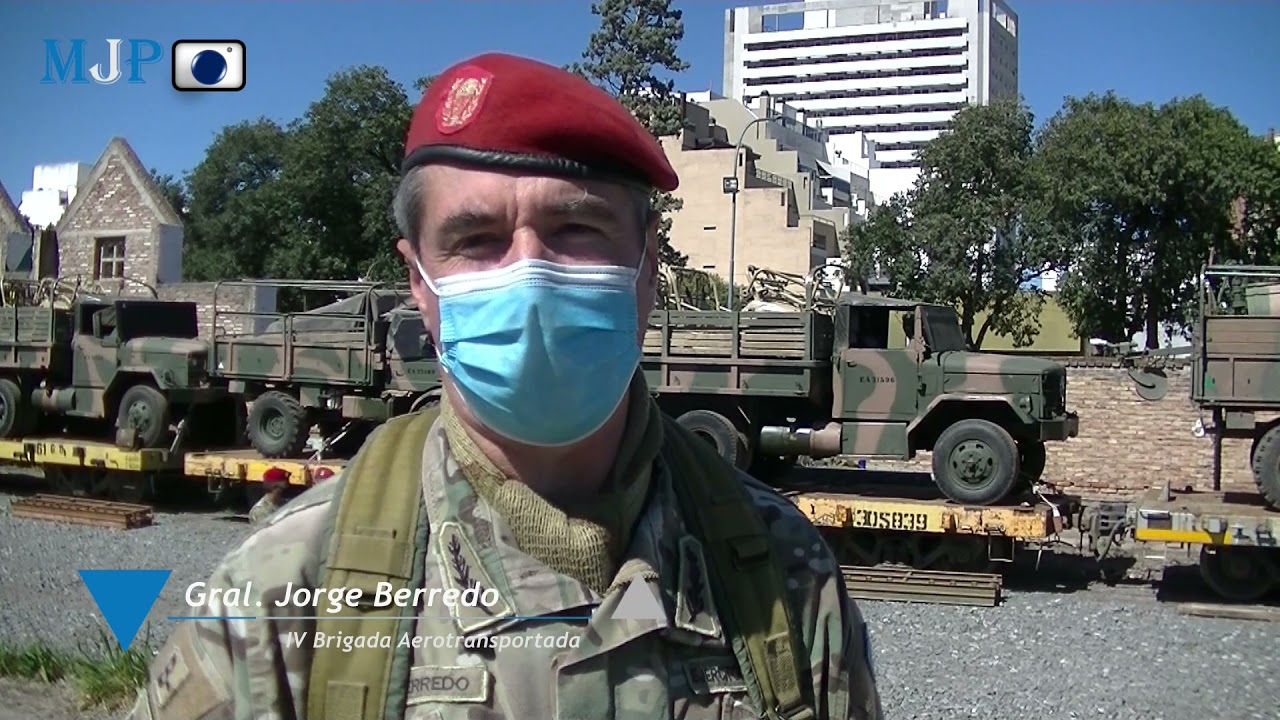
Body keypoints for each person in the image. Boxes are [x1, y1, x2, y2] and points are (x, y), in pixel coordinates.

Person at [125, 52, 883, 720]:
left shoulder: (784, 573)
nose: (528, 276)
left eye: (575, 229)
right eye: (475, 240)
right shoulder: (286, 590)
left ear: (649, 267)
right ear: (418, 285)